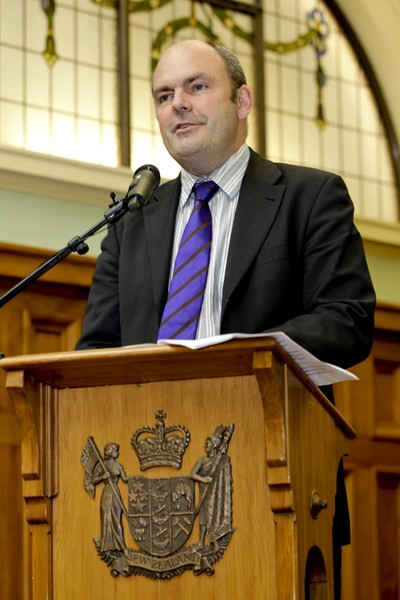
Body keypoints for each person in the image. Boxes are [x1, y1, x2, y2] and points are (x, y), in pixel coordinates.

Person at [76, 39, 376, 597]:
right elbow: (96, 351)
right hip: (148, 488)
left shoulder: (310, 197)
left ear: (242, 101)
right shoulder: (132, 221)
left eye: (196, 86)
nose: (178, 105)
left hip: (272, 474)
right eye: (164, 95)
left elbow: (348, 320)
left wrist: (238, 353)